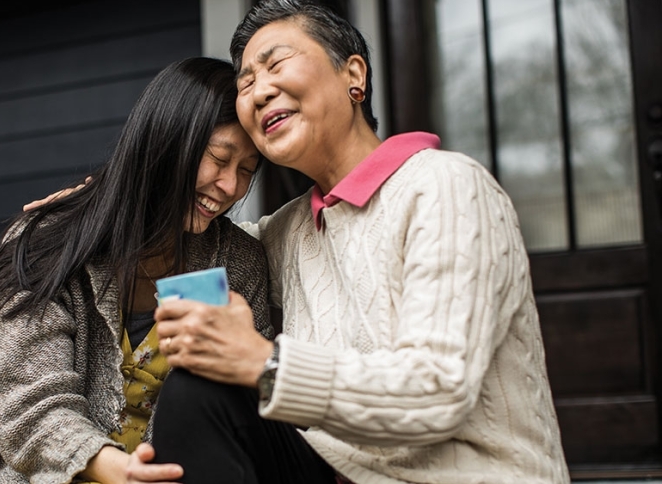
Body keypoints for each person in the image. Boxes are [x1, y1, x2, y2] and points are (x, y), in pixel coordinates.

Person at [145, 1, 570, 483]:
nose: (260, 90)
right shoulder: (294, 230)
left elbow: (438, 391)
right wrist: (98, 202)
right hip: (334, 473)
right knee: (199, 387)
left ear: (354, 75)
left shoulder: (446, 186)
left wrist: (264, 362)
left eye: (276, 64)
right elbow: (191, 233)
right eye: (246, 82)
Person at [0, 57, 273, 484]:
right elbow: (30, 409)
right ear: (165, 142)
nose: (231, 187)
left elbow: (245, 408)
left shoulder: (238, 263)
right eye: (219, 159)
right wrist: (121, 472)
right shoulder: (45, 245)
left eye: (247, 171)